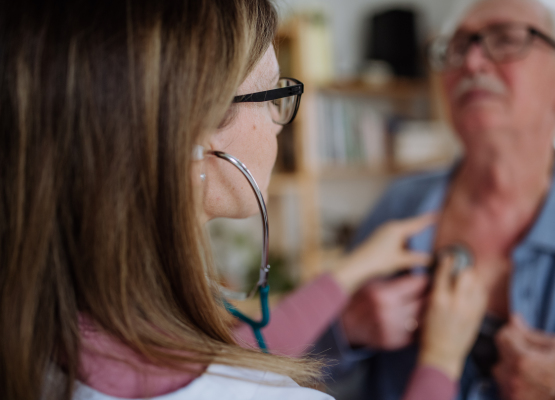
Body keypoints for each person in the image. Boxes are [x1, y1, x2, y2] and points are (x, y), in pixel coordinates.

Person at [0, 0, 489, 400]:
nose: (280, 121)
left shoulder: (41, 339)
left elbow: (232, 353)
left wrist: (351, 270)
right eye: (274, 92)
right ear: (202, 131)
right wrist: (442, 358)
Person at [314, 0, 555, 399]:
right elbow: (302, 372)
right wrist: (348, 329)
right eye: (457, 47)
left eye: (505, 39)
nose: (472, 62)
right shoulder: (398, 205)